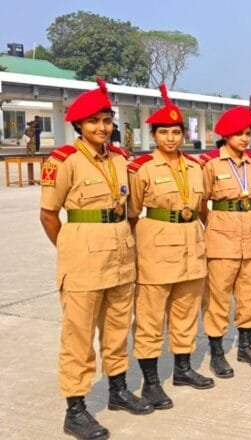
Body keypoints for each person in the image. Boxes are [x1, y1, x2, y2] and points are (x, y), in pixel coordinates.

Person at [39, 77, 152, 440]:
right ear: (78, 126)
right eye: (94, 122)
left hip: (120, 256)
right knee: (79, 336)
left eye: (106, 120)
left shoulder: (120, 159)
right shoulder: (64, 161)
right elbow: (48, 215)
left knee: (118, 328)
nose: (102, 128)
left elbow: (130, 209)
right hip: (83, 257)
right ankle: (76, 409)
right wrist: (72, 249)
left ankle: (118, 391)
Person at [127, 84, 215, 410]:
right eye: (163, 132)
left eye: (176, 132)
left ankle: (182, 369)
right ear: (153, 135)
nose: (171, 138)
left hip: (192, 247)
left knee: (185, 312)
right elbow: (132, 213)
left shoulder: (195, 167)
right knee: (150, 318)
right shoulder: (142, 168)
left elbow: (202, 204)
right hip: (157, 249)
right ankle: (151, 383)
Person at [198, 97, 251, 378]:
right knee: (218, 297)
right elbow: (200, 201)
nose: (245, 139)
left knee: (249, 294)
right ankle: (217, 353)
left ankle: (245, 346)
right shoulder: (211, 164)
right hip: (221, 239)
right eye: (239, 134)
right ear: (226, 135)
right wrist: (216, 224)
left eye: (248, 133)